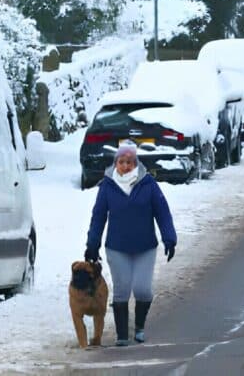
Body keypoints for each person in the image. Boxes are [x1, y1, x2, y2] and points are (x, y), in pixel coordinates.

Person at [85, 140, 177, 347]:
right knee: (122, 288)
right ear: (115, 163)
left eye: (130, 162)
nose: (125, 166)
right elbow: (98, 217)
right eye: (122, 162)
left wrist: (169, 238)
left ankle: (140, 327)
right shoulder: (108, 186)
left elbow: (162, 212)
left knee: (142, 289)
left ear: (136, 164)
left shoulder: (148, 184)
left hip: (145, 247)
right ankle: (122, 335)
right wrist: (92, 244)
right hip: (116, 247)